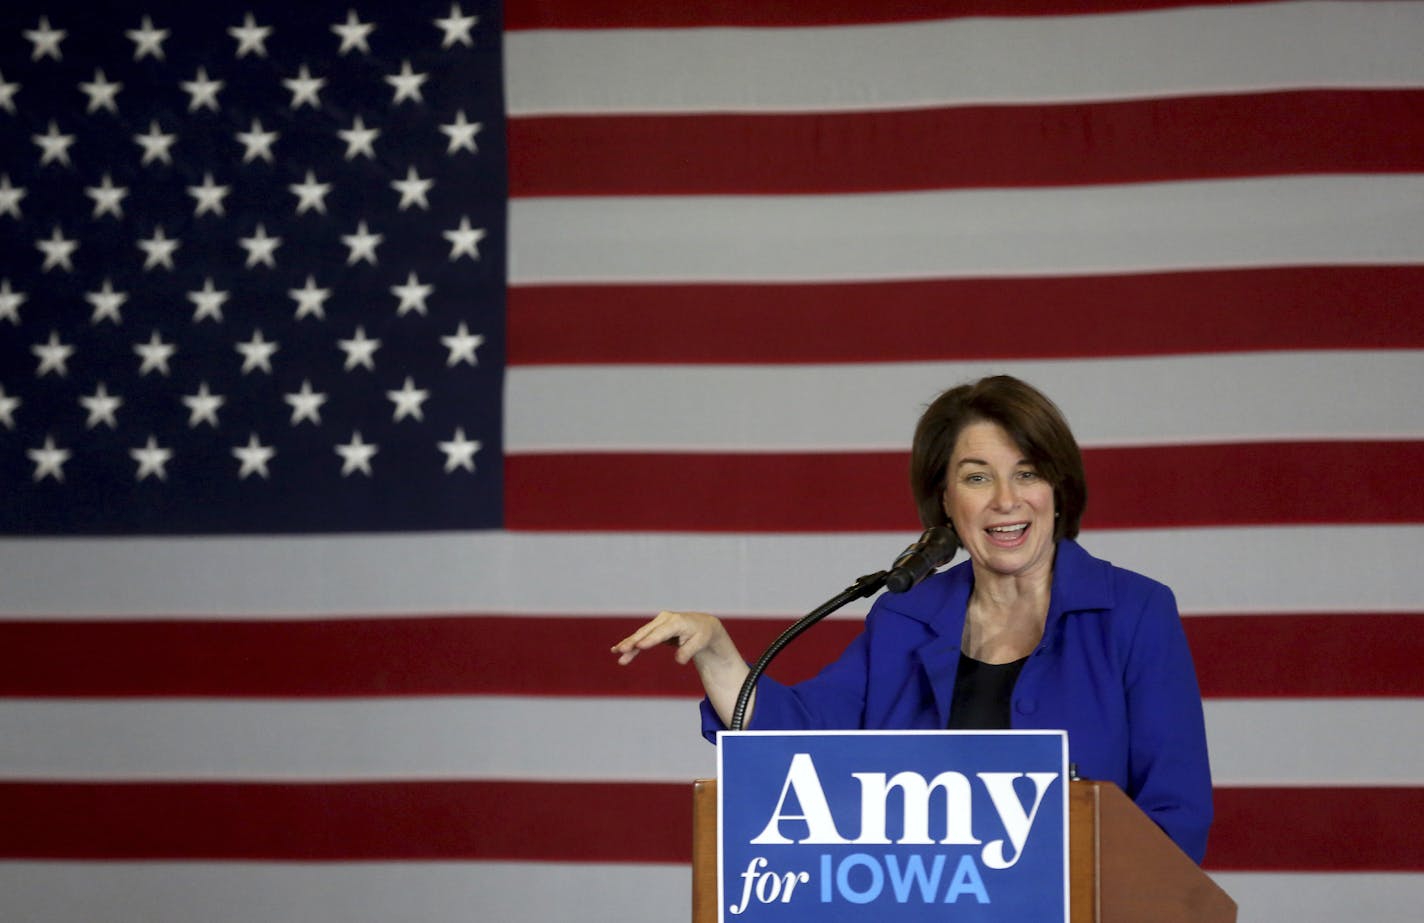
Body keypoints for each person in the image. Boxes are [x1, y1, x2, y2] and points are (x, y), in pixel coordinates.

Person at [611, 374, 1213, 864]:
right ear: (946, 501)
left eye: (1027, 472)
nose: (1007, 499)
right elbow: (798, 741)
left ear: (1057, 486)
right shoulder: (906, 616)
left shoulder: (1134, 613)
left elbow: (1176, 816)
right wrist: (718, 653)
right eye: (977, 477)